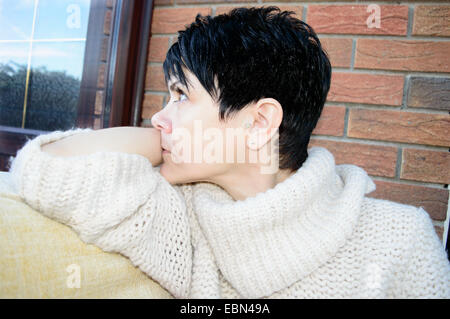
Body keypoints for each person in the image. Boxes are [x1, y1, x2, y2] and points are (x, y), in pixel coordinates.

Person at [8, 6, 450, 298]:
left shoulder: (399, 240)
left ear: (259, 122)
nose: (160, 117)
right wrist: (164, 138)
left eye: (181, 96)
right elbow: (46, 170)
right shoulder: (179, 217)